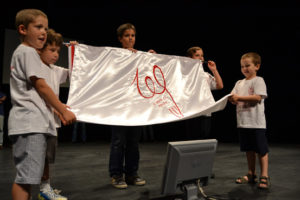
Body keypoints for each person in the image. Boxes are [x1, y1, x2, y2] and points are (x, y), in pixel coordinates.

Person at [8, 9, 76, 200]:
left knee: (29, 177)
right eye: (38, 27)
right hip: (30, 123)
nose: (44, 32)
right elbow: (42, 86)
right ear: (22, 29)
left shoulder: (28, 54)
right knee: (25, 179)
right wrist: (63, 109)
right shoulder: (27, 52)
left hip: (36, 123)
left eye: (45, 28)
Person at [109, 23, 155, 189]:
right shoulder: (114, 55)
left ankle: (131, 173)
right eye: (127, 35)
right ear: (120, 38)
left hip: (136, 106)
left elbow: (146, 77)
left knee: (133, 142)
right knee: (118, 141)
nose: (130, 38)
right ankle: (116, 175)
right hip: (119, 106)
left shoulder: (140, 56)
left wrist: (150, 59)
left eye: (133, 35)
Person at [37, 28, 74, 200]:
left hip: (51, 123)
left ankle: (45, 186)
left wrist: (74, 53)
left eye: (58, 51)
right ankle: (43, 189)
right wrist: (59, 109)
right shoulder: (36, 70)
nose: (56, 54)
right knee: (40, 158)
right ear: (40, 49)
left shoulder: (55, 70)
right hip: (38, 122)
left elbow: (75, 74)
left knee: (47, 158)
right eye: (52, 50)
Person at [229, 52, 270, 190]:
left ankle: (264, 175)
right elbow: (233, 96)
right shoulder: (239, 83)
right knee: (249, 149)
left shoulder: (258, 80)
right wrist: (231, 99)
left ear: (257, 66)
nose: (244, 68)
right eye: (242, 66)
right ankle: (251, 173)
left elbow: (258, 97)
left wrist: (238, 98)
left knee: (261, 150)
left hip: (256, 123)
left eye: (248, 65)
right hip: (243, 122)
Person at [185, 46, 223, 140]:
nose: (201, 58)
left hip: (205, 112)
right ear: (190, 58)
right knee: (192, 140)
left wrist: (214, 70)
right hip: (191, 112)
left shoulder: (206, 75)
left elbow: (220, 86)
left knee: (204, 138)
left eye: (202, 55)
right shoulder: (185, 75)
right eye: (197, 55)